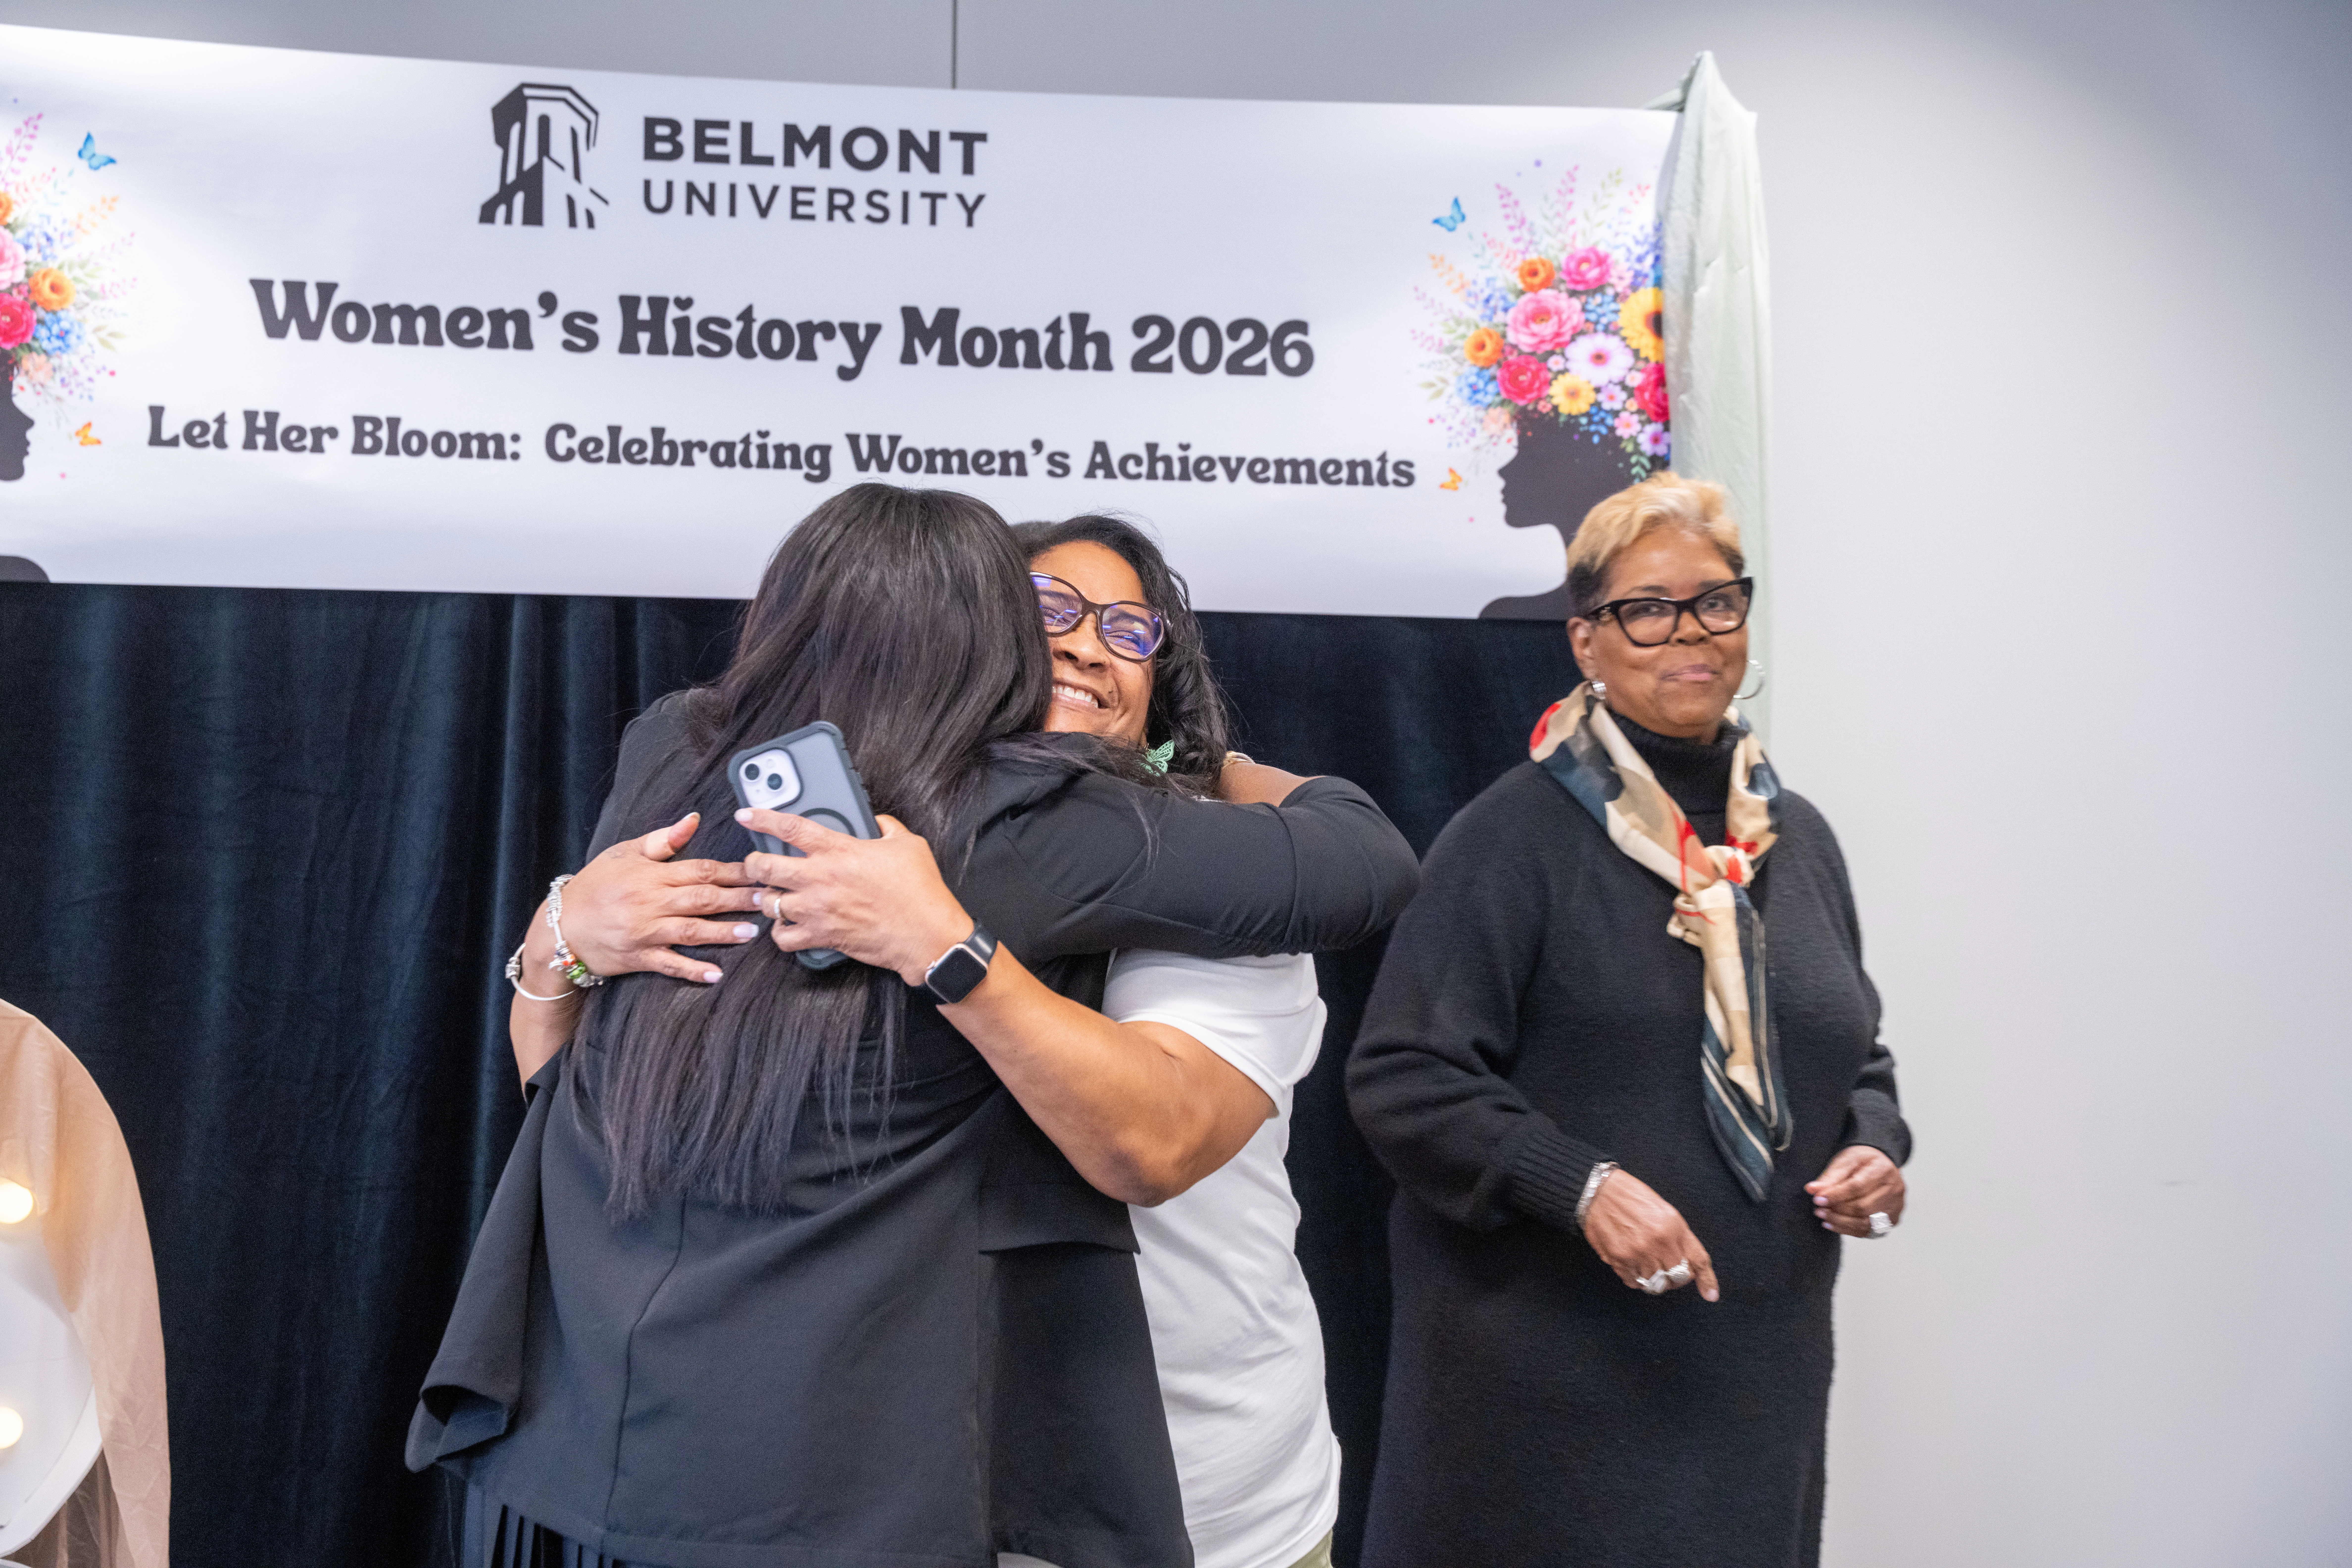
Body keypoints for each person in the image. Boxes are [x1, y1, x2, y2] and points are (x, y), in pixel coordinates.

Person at [407, 485, 1417, 1568]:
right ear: (992, 643)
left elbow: (1154, 1142)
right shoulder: (1032, 824)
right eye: (1052, 615)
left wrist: (1204, 778)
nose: (1085, 651)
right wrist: (561, 930)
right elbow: (1367, 858)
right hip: (852, 1482)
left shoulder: (674, 754)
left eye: (1129, 634)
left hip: (604, 1454)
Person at [1345, 472, 1911, 1567]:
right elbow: (1405, 1076)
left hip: (1754, 1378)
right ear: (1586, 643)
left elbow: (1856, 1057)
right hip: (1545, 1397)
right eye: (1646, 609)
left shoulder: (1800, 841)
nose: (1688, 632)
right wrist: (1583, 1189)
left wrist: (1877, 1148)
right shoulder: (1512, 839)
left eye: (1716, 601)